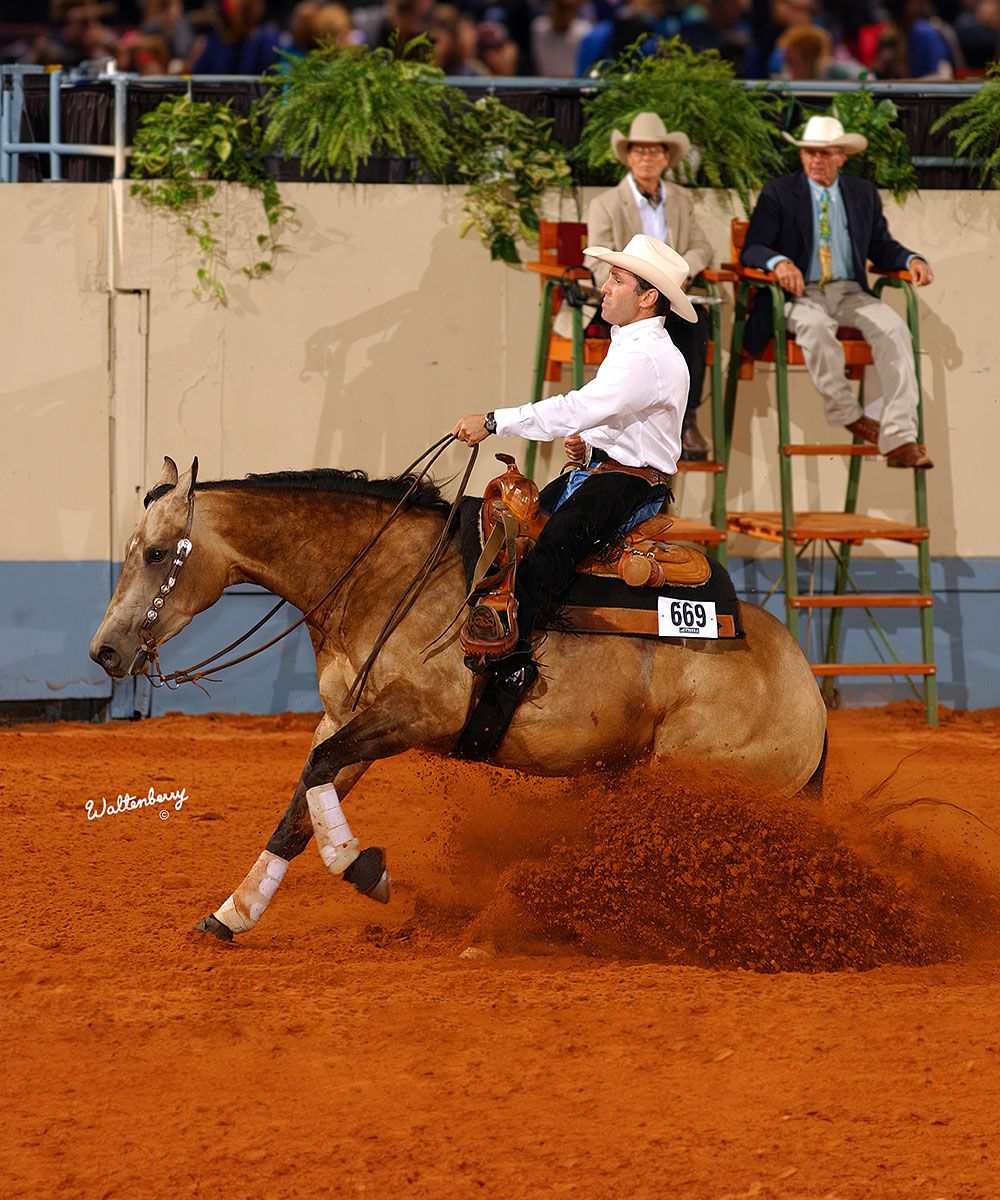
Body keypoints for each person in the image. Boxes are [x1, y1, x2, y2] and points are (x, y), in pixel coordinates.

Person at [452, 234, 695, 692]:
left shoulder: (645, 357)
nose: (604, 287)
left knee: (554, 546)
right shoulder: (632, 345)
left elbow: (575, 407)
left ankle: (511, 661)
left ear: (647, 298)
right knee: (517, 526)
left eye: (617, 279)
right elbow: (610, 416)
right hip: (609, 474)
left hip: (631, 487)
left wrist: (493, 421)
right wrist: (591, 447)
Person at [741, 114, 934, 469]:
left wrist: (910, 259)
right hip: (800, 295)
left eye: (826, 153)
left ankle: (901, 437)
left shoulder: (861, 193)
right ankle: (849, 413)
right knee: (816, 328)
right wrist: (780, 263)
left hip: (849, 292)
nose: (817, 160)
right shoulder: (779, 192)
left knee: (895, 329)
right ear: (801, 155)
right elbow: (752, 248)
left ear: (841, 157)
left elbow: (881, 245)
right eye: (811, 152)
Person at [587, 112, 715, 461]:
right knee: (670, 326)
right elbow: (596, 263)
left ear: (666, 158)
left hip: (668, 299)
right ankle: (621, 430)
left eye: (654, 151)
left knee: (694, 321)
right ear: (628, 157)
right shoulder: (606, 204)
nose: (647, 158)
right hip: (627, 299)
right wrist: (627, 289)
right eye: (639, 151)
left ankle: (686, 419)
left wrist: (682, 271)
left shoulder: (680, 201)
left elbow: (703, 247)